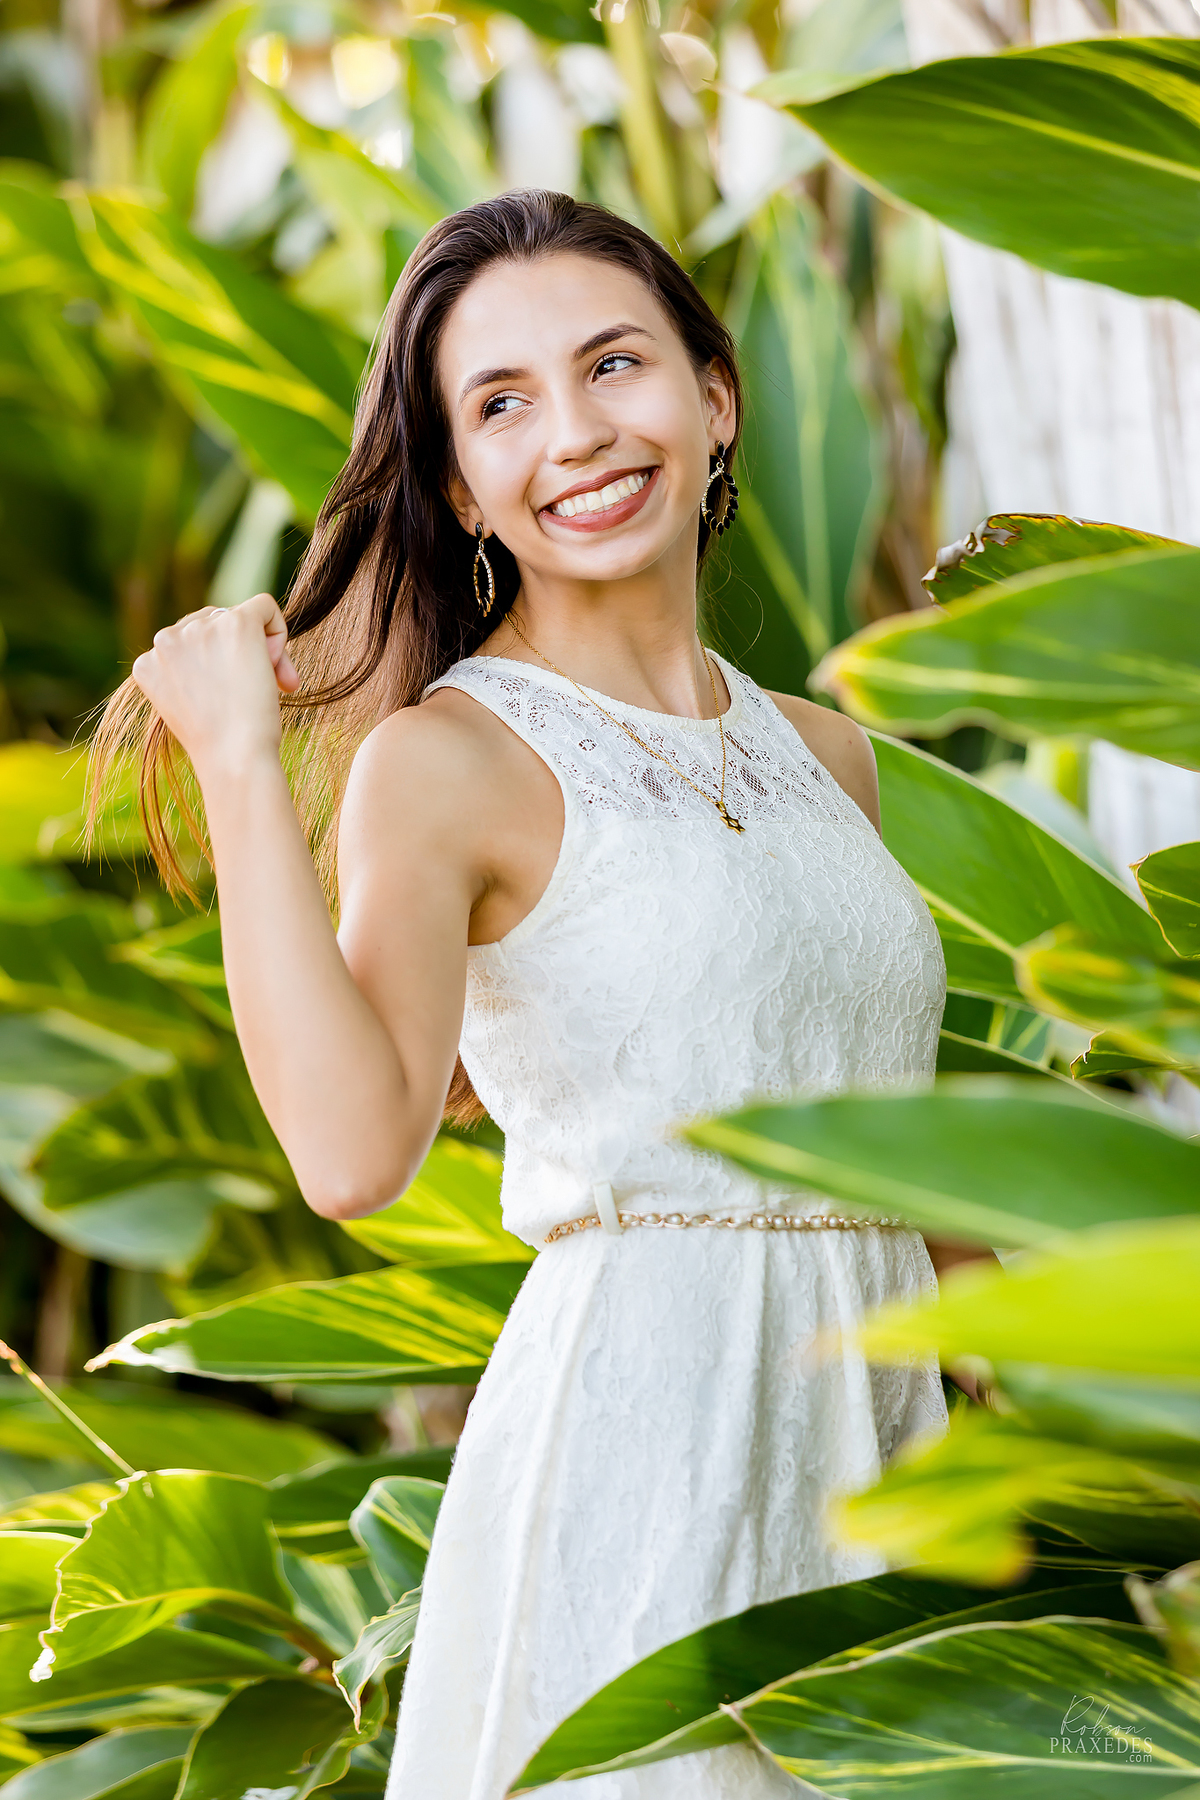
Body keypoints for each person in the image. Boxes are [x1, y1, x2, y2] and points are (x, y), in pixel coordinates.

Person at [90, 190, 972, 1799]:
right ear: (455, 483)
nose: (575, 433)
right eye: (501, 403)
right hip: (649, 1453)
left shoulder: (823, 748)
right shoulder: (447, 764)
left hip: (896, 1444)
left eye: (614, 366)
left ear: (713, 396)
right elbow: (354, 1156)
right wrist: (232, 757)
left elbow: (896, 1136)